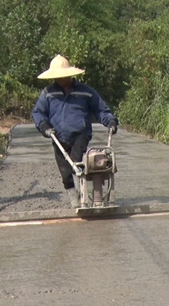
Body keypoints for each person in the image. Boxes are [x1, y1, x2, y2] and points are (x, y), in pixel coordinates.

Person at [32, 54, 118, 208]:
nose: (61, 79)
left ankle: (85, 198)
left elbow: (100, 110)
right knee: (65, 173)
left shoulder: (86, 92)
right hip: (57, 136)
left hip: (80, 134)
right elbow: (38, 113)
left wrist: (110, 121)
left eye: (63, 76)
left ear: (70, 74)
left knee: (76, 162)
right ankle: (75, 198)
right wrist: (44, 127)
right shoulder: (48, 93)